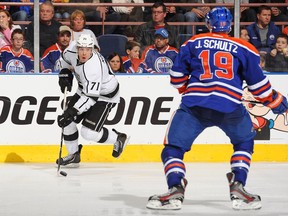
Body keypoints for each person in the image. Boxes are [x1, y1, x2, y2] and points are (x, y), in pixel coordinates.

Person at [146, 7, 288, 211]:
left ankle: (175, 187)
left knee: (173, 147)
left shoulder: (192, 43)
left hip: (194, 105)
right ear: (229, 26)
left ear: (208, 25)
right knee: (244, 141)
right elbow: (259, 88)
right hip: (229, 105)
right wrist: (278, 104)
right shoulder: (245, 47)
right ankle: (238, 184)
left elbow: (176, 77)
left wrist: (189, 90)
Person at [56, 34, 129, 166]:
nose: (84, 53)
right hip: (85, 89)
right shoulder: (71, 50)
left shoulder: (94, 68)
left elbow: (90, 98)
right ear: (77, 47)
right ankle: (74, 155)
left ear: (93, 49)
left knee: (88, 132)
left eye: (88, 49)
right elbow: (63, 59)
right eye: (81, 49)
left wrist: (72, 111)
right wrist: (64, 72)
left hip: (104, 96)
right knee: (68, 122)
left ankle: (118, 138)